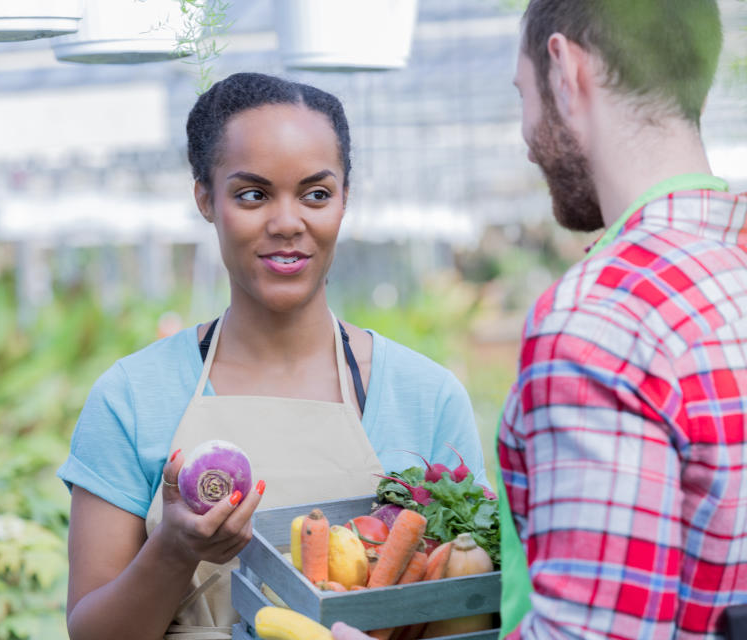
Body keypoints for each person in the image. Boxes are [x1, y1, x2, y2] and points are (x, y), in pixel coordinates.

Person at [333, 1, 747, 639]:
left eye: (523, 94)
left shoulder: (605, 316)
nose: (527, 139)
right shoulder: (732, 264)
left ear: (565, 70)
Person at [58, 72, 488, 640]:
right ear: (205, 199)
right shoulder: (133, 397)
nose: (288, 223)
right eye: (253, 194)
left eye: (316, 194)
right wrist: (173, 550)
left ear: (344, 201)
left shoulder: (425, 398)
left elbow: (466, 607)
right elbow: (91, 632)